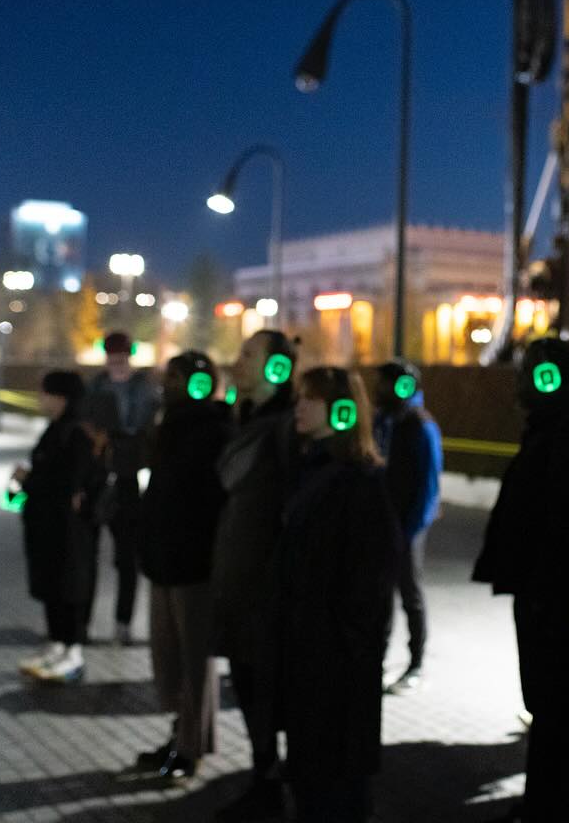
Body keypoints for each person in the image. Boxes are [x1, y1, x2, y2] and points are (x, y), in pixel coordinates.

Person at [473, 337, 569, 822]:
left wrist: (546, 590)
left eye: (530, 371)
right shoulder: (549, 429)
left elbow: (561, 523)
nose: (520, 381)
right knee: (545, 702)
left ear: (549, 378)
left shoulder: (565, 435)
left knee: (551, 703)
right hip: (540, 593)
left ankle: (547, 803)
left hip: (549, 599)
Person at [279, 367, 397, 823]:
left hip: (335, 663)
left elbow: (368, 582)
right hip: (310, 651)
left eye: (311, 399)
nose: (300, 407)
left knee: (335, 782)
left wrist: (347, 646)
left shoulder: (359, 482)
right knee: (312, 775)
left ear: (341, 410)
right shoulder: (310, 469)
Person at [121, 351, 231, 783]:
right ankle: (180, 736)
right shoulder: (170, 426)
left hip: (193, 563)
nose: (167, 385)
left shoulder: (213, 430)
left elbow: (202, 500)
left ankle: (191, 747)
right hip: (164, 559)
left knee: (194, 661)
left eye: (176, 378)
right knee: (170, 660)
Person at [211, 330, 299, 822]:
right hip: (240, 583)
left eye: (249, 355)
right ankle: (264, 776)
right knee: (247, 684)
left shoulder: (286, 428)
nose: (237, 362)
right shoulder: (245, 419)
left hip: (265, 590)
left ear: (276, 369)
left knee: (267, 689)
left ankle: (273, 786)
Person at [14, 370, 99, 683]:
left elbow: (65, 482)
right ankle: (56, 645)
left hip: (67, 529)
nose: (41, 398)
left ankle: (72, 651)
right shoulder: (56, 429)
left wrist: (29, 479)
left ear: (61, 397)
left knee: (67, 587)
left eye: (45, 392)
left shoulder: (76, 433)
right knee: (52, 585)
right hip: (47, 525)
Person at [372, 359, 443, 695]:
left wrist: (411, 529)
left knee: (410, 594)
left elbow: (429, 486)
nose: (378, 389)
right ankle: (377, 658)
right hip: (381, 525)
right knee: (380, 595)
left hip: (406, 528)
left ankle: (415, 665)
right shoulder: (382, 420)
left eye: (384, 383)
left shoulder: (420, 425)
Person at [87, 330, 159, 645]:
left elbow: (146, 425)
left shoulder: (144, 388)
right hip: (100, 473)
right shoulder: (96, 386)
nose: (116, 365)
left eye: (121, 359)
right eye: (112, 359)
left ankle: (123, 622)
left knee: (127, 556)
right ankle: (81, 623)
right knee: (86, 553)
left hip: (129, 476)